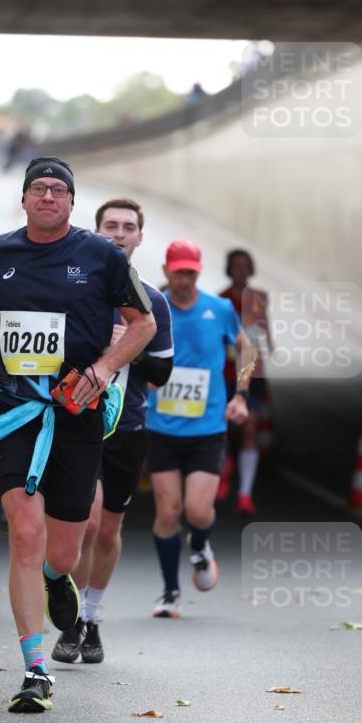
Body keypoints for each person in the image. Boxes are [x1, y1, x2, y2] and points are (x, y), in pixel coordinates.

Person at [0, 157, 156, 713]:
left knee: (65, 544)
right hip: (14, 411)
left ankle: (61, 579)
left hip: (76, 413)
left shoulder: (101, 256)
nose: (49, 197)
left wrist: (104, 370)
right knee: (24, 533)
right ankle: (36, 671)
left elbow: (144, 323)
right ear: (25, 197)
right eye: (40, 188)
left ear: (72, 201)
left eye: (59, 190)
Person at [51, 198, 173, 665]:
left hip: (128, 425)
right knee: (88, 521)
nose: (119, 233)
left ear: (139, 237)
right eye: (110, 225)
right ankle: (73, 617)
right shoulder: (75, 290)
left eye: (128, 227)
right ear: (96, 231)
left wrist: (130, 349)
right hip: (77, 419)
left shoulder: (153, 301)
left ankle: (93, 618)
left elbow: (162, 374)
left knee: (108, 531)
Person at [146, 239, 251, 618]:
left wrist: (240, 396)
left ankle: (201, 545)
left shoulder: (219, 308)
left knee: (198, 510)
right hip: (161, 426)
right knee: (169, 511)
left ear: (199, 271)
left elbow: (247, 349)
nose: (185, 278)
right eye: (179, 271)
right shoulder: (152, 306)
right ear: (166, 270)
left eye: (191, 271)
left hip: (207, 427)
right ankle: (170, 591)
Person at [219, 248, 273, 514]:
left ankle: (245, 495)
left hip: (252, 374)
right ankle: (224, 468)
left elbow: (263, 329)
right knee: (227, 430)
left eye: (245, 266)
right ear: (229, 269)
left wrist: (267, 345)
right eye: (236, 266)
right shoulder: (222, 301)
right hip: (227, 375)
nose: (241, 271)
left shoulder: (260, 297)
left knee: (250, 430)